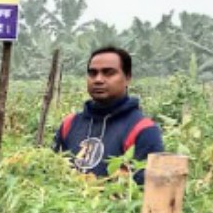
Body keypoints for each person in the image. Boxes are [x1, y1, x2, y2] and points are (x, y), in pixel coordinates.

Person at [52, 46, 164, 185]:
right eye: (93, 73)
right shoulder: (70, 124)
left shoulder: (143, 130)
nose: (98, 79)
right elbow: (53, 173)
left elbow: (147, 189)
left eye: (108, 73)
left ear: (128, 78)